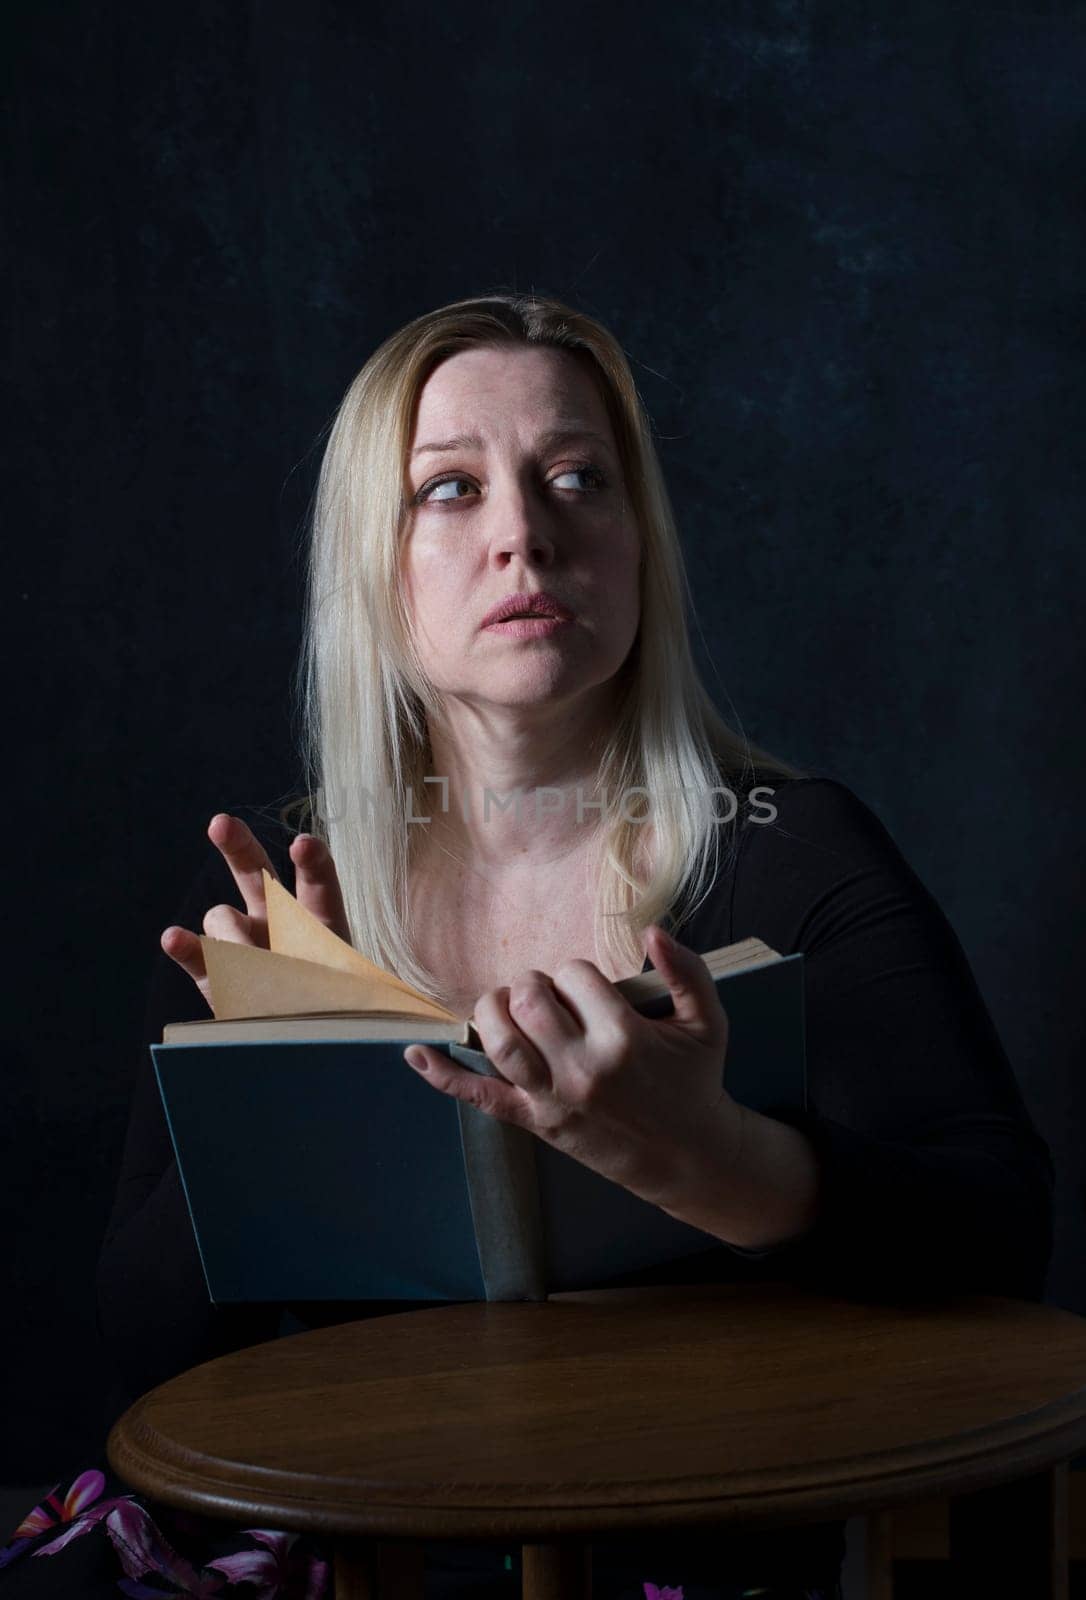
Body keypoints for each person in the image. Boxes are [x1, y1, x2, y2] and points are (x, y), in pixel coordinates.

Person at [3, 293, 1054, 1599]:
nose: (522, 535)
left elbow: (1005, 1237)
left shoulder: (792, 847)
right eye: (449, 490)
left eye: (575, 478)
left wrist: (727, 1163)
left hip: (699, 1535)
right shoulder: (280, 893)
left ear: (637, 548)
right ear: (371, 569)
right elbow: (141, 1345)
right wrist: (278, 1085)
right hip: (361, 1543)